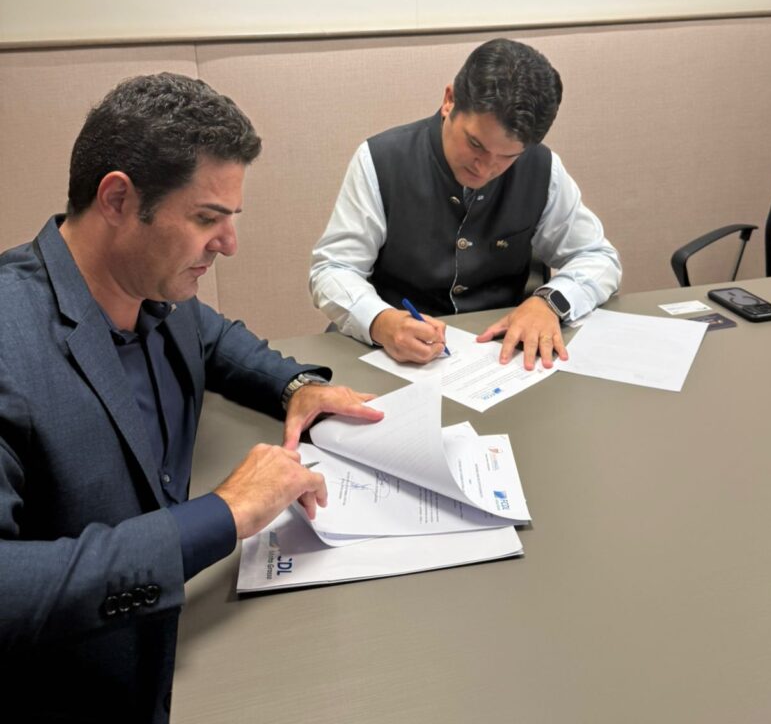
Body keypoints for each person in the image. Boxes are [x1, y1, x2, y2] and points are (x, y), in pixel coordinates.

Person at [0, 73, 383, 724]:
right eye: (207, 218)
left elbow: (214, 338)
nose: (228, 244)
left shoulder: (157, 288)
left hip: (204, 638)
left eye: (231, 219)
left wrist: (296, 386)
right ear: (118, 199)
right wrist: (223, 513)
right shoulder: (12, 342)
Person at [310, 38, 621, 370]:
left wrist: (549, 303)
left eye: (507, 157)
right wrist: (380, 321)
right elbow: (333, 269)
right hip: (391, 357)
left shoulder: (542, 168)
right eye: (475, 144)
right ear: (449, 100)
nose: (485, 168)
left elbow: (598, 257)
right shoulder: (382, 159)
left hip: (497, 360)